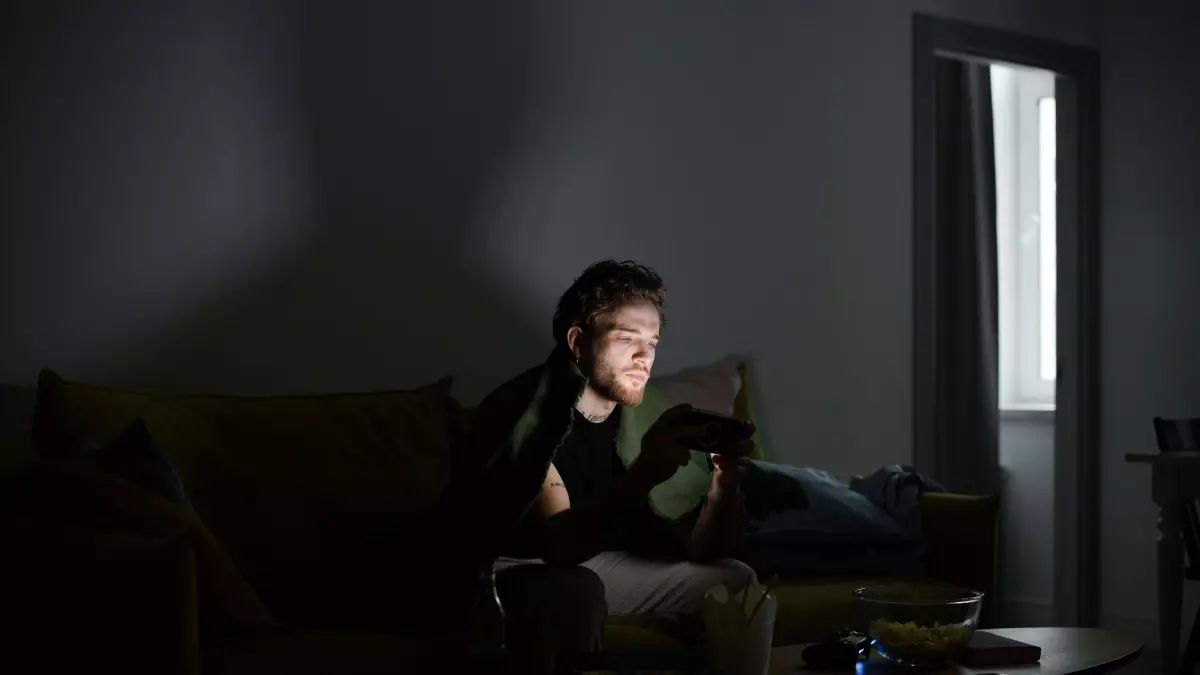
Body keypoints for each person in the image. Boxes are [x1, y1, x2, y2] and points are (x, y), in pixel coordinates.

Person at [480, 260, 757, 668]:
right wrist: (644, 474)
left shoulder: (640, 414)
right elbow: (558, 547)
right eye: (627, 338)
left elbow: (703, 549)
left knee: (735, 580)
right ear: (578, 342)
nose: (645, 357)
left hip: (597, 562)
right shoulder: (532, 416)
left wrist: (724, 487)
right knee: (576, 589)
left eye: (653, 343)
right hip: (518, 566)